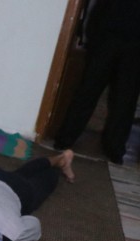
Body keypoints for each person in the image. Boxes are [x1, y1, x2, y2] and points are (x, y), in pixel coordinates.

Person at [53, 0, 140, 165]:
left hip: (131, 46)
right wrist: (90, 37)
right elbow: (98, 7)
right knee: (88, 92)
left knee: (124, 101)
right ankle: (65, 139)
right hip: (106, 38)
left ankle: (114, 149)